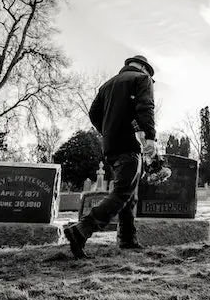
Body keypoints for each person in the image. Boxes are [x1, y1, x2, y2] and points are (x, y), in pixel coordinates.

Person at [64, 55, 157, 259]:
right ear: (143, 67)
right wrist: (149, 137)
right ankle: (81, 230)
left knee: (128, 194)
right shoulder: (142, 79)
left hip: (110, 146)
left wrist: (107, 131)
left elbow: (94, 114)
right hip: (129, 145)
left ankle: (127, 239)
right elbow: (145, 107)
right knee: (123, 192)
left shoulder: (106, 85)